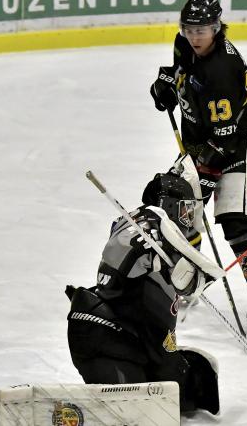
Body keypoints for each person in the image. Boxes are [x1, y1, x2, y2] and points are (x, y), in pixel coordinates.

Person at [149, 0, 247, 325]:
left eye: (203, 30)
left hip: (238, 145)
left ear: (217, 28)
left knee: (236, 223)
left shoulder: (221, 70)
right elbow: (177, 72)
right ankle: (185, 284)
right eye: (189, 29)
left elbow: (226, 136)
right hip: (201, 144)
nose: (195, 37)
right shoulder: (184, 44)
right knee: (179, 211)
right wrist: (165, 85)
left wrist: (207, 174)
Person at [66, 157, 221, 416]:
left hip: (98, 332)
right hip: (103, 340)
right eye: (185, 211)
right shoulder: (149, 250)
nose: (188, 219)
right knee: (143, 410)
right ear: (169, 207)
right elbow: (162, 355)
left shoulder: (135, 235)